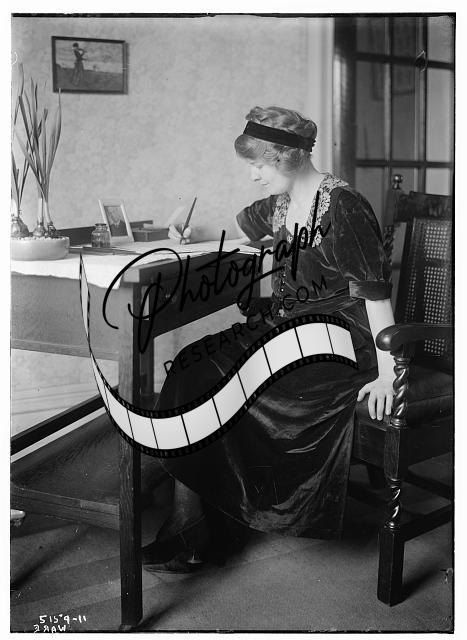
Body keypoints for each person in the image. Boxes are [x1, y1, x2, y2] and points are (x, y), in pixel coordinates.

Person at [142, 106, 395, 572]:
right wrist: (187, 231)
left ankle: (205, 525)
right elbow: (235, 228)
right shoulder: (279, 202)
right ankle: (192, 524)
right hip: (288, 326)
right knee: (195, 365)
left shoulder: (343, 205)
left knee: (237, 382)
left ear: (287, 157)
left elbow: (375, 294)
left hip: (341, 341)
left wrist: (388, 375)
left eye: (259, 165)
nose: (253, 175)